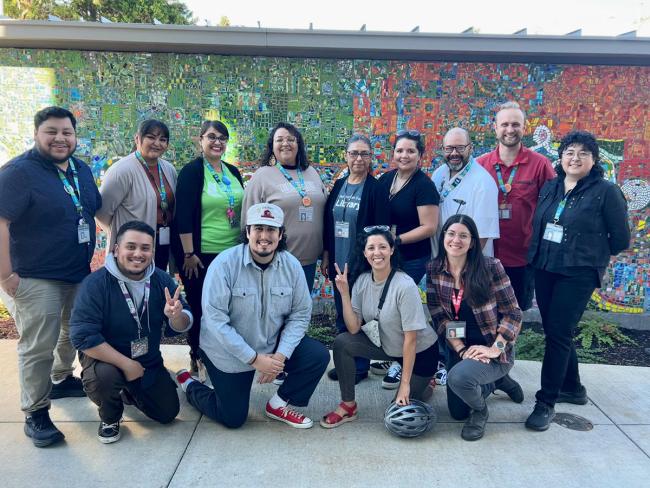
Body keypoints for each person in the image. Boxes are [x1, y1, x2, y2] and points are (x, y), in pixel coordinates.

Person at [0, 106, 101, 447]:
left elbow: (93, 211)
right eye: (52, 131)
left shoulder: (80, 170)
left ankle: (60, 379)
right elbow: (1, 222)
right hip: (34, 275)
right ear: (36, 134)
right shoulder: (18, 173)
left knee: (72, 331)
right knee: (38, 345)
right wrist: (6, 276)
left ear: (75, 136)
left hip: (76, 271)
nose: (60, 138)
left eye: (67, 132)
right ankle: (36, 411)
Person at [176, 203, 329, 429]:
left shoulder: (292, 266)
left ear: (280, 235)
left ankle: (278, 405)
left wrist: (279, 357)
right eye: (258, 228)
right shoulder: (224, 264)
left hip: (271, 343)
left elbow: (300, 314)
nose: (264, 236)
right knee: (233, 418)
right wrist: (255, 360)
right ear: (247, 232)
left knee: (317, 355)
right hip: (227, 352)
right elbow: (216, 321)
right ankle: (190, 385)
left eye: (271, 230)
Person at [525, 131, 630, 432]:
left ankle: (546, 402)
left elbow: (620, 239)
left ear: (594, 160)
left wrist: (586, 254)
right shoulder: (551, 187)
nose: (575, 158)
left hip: (579, 273)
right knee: (557, 330)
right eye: (570, 152)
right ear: (560, 157)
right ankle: (573, 388)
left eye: (584, 153)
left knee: (557, 334)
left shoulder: (605, 192)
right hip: (545, 267)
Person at [69, 221, 192, 444]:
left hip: (147, 358)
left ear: (152, 252)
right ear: (116, 250)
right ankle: (110, 416)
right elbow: (83, 337)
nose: (138, 254)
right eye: (131, 247)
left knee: (167, 413)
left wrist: (176, 316)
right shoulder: (95, 284)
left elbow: (183, 324)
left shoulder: (161, 280)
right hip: (105, 359)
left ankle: (128, 390)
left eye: (145, 248)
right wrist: (127, 365)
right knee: (105, 378)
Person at [320, 227, 439, 428]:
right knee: (343, 342)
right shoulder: (363, 281)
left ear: (392, 250)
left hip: (419, 354)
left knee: (396, 415)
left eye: (383, 247)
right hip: (389, 346)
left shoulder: (405, 285)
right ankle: (348, 405)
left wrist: (404, 385)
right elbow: (354, 328)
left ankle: (425, 384)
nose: (377, 252)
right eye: (371, 248)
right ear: (365, 253)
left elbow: (411, 340)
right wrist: (345, 294)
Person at [427, 214, 523, 441]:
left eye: (463, 235)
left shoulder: (491, 267)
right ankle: (496, 382)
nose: (456, 240)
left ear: (472, 242)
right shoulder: (434, 269)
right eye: (451, 234)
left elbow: (513, 313)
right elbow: (441, 318)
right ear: (443, 237)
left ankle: (481, 411)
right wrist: (460, 350)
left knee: (460, 380)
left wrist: (495, 349)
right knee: (457, 412)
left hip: (493, 348)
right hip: (461, 346)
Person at [172, 120, 244, 375]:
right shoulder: (192, 172)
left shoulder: (232, 172)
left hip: (232, 253)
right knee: (201, 307)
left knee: (228, 307)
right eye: (211, 137)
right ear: (200, 140)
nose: (217, 142)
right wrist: (189, 254)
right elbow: (183, 215)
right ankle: (198, 355)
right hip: (200, 256)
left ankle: (223, 355)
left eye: (223, 138)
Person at [374, 129, 439, 388]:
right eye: (400, 150)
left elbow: (429, 227)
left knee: (402, 312)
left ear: (420, 155)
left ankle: (403, 365)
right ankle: (391, 355)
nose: (404, 155)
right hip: (386, 258)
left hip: (411, 258)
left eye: (410, 151)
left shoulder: (424, 186)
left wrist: (396, 241)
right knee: (387, 310)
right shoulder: (386, 179)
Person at [322, 134, 388, 384]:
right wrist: (326, 255)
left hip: (361, 267)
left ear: (371, 157)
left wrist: (374, 265)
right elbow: (329, 224)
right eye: (354, 153)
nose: (358, 158)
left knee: (358, 318)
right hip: (338, 265)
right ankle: (344, 363)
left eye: (364, 154)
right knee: (341, 316)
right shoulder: (339, 185)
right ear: (346, 156)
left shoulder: (376, 189)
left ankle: (360, 367)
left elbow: (381, 232)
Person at [478, 102, 555, 310]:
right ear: (495, 128)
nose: (510, 130)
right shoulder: (479, 165)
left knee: (515, 313)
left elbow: (553, 207)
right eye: (504, 124)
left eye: (515, 124)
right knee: (484, 311)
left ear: (525, 128)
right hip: (485, 255)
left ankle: (510, 345)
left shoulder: (540, 164)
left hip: (523, 257)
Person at [242, 122, 327, 291]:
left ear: (298, 144)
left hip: (309, 261)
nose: (285, 143)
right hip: (277, 260)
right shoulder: (262, 176)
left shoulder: (311, 173)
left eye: (291, 139)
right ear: (272, 146)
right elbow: (247, 221)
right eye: (279, 140)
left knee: (302, 311)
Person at [96, 119, 177, 271]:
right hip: (133, 246)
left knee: (155, 286)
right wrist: (122, 233)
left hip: (161, 241)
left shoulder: (168, 169)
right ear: (138, 138)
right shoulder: (121, 170)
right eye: (151, 137)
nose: (157, 143)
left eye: (163, 140)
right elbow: (102, 211)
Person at [431, 127, 499, 257]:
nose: (454, 153)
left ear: (470, 148)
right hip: (438, 262)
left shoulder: (483, 182)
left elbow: (482, 236)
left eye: (460, 148)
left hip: (467, 266)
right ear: (443, 149)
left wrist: (461, 269)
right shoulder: (438, 174)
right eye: (449, 148)